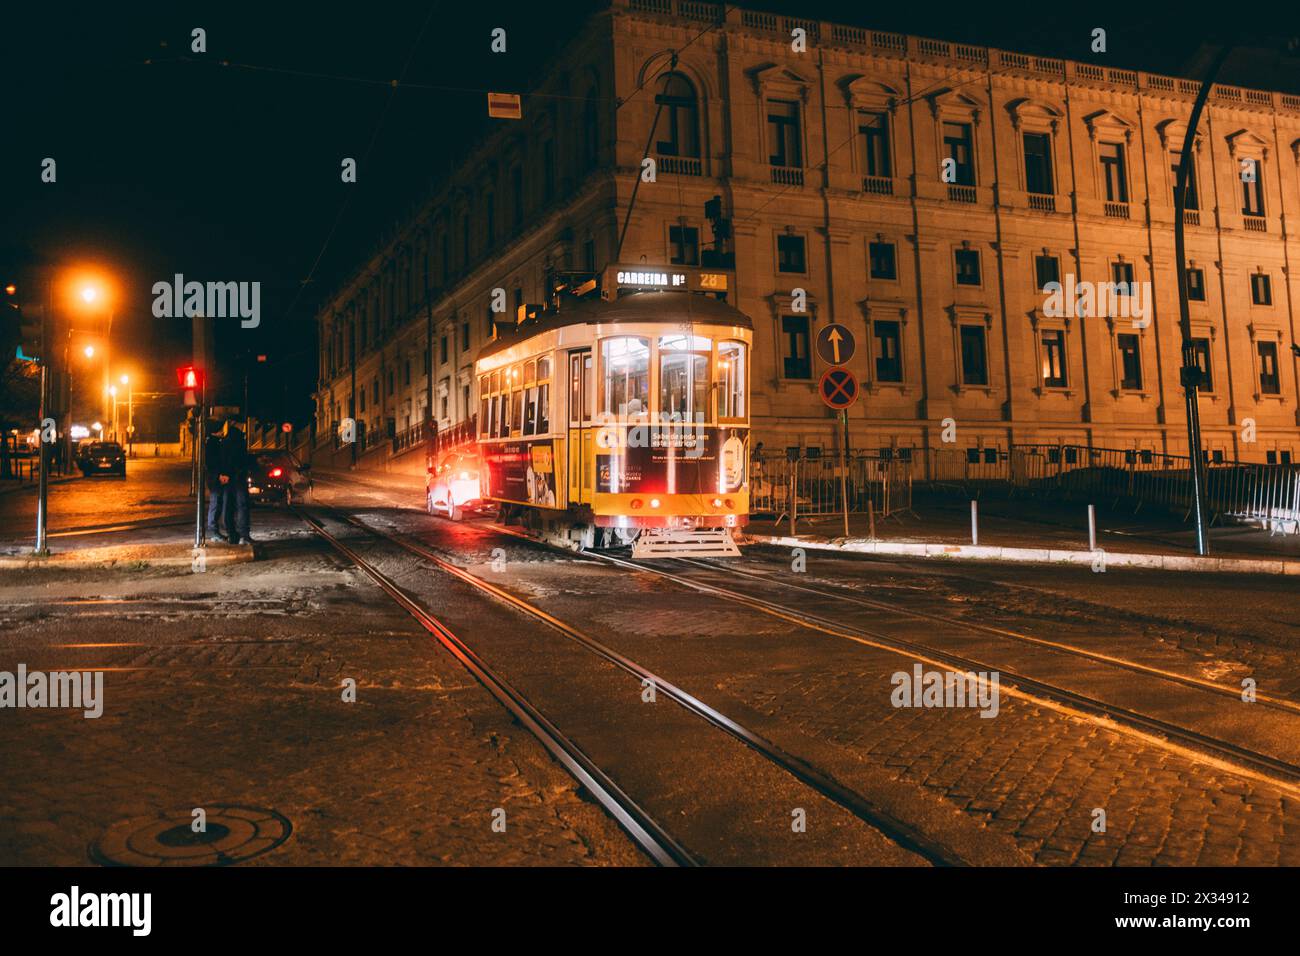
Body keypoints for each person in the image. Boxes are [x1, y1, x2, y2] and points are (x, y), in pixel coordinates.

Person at [220, 422, 252, 545]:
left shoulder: (225, 441)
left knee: (228, 505)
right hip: (237, 477)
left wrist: (224, 473)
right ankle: (243, 534)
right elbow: (239, 459)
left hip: (228, 477)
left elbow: (223, 459)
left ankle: (231, 534)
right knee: (242, 505)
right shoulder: (239, 441)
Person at [204, 421, 228, 542]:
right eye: (220, 430)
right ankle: (213, 531)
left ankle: (214, 530)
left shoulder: (212, 442)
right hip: (214, 477)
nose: (222, 432)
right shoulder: (213, 443)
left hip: (214, 476)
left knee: (217, 502)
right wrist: (219, 475)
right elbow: (213, 462)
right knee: (216, 502)